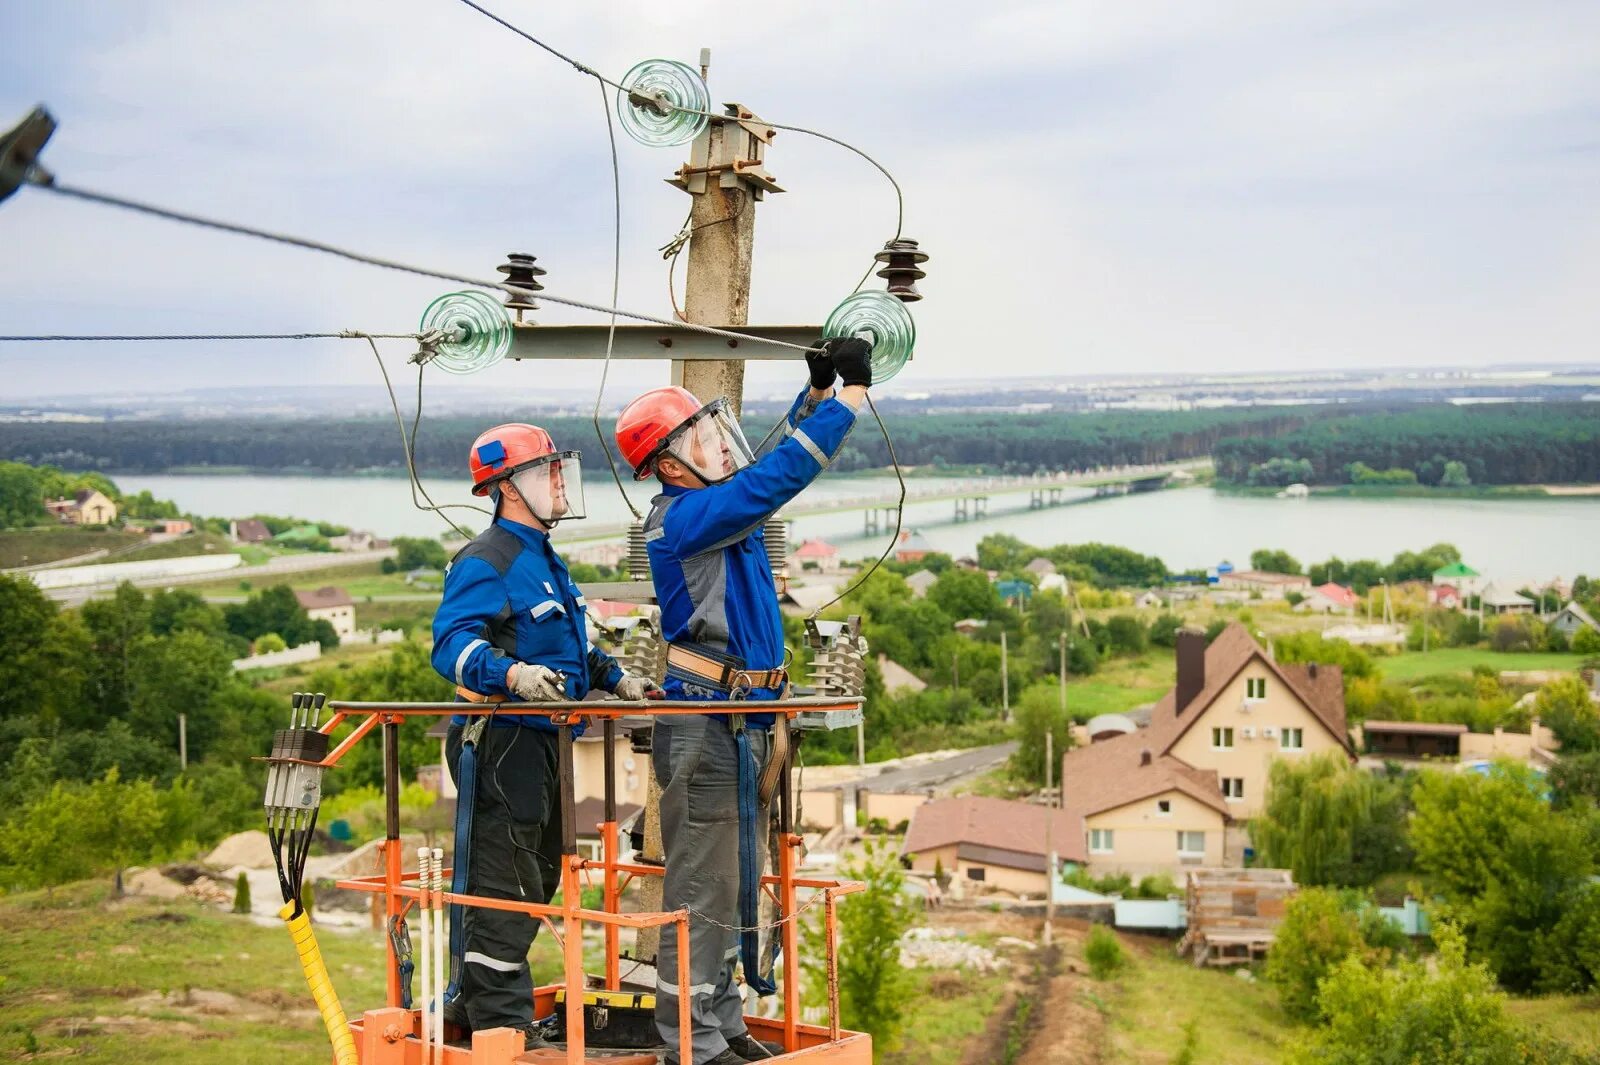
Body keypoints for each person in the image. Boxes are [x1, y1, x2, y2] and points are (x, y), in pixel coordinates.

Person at [614, 337, 874, 1065]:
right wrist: (850, 399)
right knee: (701, 887)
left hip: (742, 722)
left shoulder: (713, 509)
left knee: (733, 882)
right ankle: (690, 1044)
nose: (718, 446)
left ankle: (721, 1022)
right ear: (670, 463)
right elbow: (771, 481)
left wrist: (815, 397)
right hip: (706, 722)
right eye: (701, 437)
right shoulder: (681, 521)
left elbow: (756, 471)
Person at [430, 423, 657, 1045]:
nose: (561, 482)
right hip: (501, 741)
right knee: (506, 882)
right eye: (548, 471)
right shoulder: (487, 560)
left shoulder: (544, 561)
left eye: (561, 470)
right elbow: (450, 645)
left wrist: (618, 679)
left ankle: (465, 1004)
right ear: (509, 486)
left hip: (544, 743)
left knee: (541, 877)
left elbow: (573, 645)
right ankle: (499, 1023)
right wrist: (511, 673)